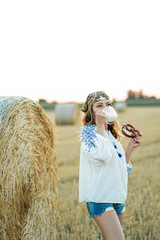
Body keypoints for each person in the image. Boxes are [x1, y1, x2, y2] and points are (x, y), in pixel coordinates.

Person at [79, 91, 141, 240]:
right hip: (101, 198)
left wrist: (129, 149)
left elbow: (121, 170)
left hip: (118, 197)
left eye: (107, 105)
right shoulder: (88, 132)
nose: (104, 108)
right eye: (99, 106)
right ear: (91, 111)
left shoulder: (110, 135)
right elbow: (102, 157)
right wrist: (100, 124)